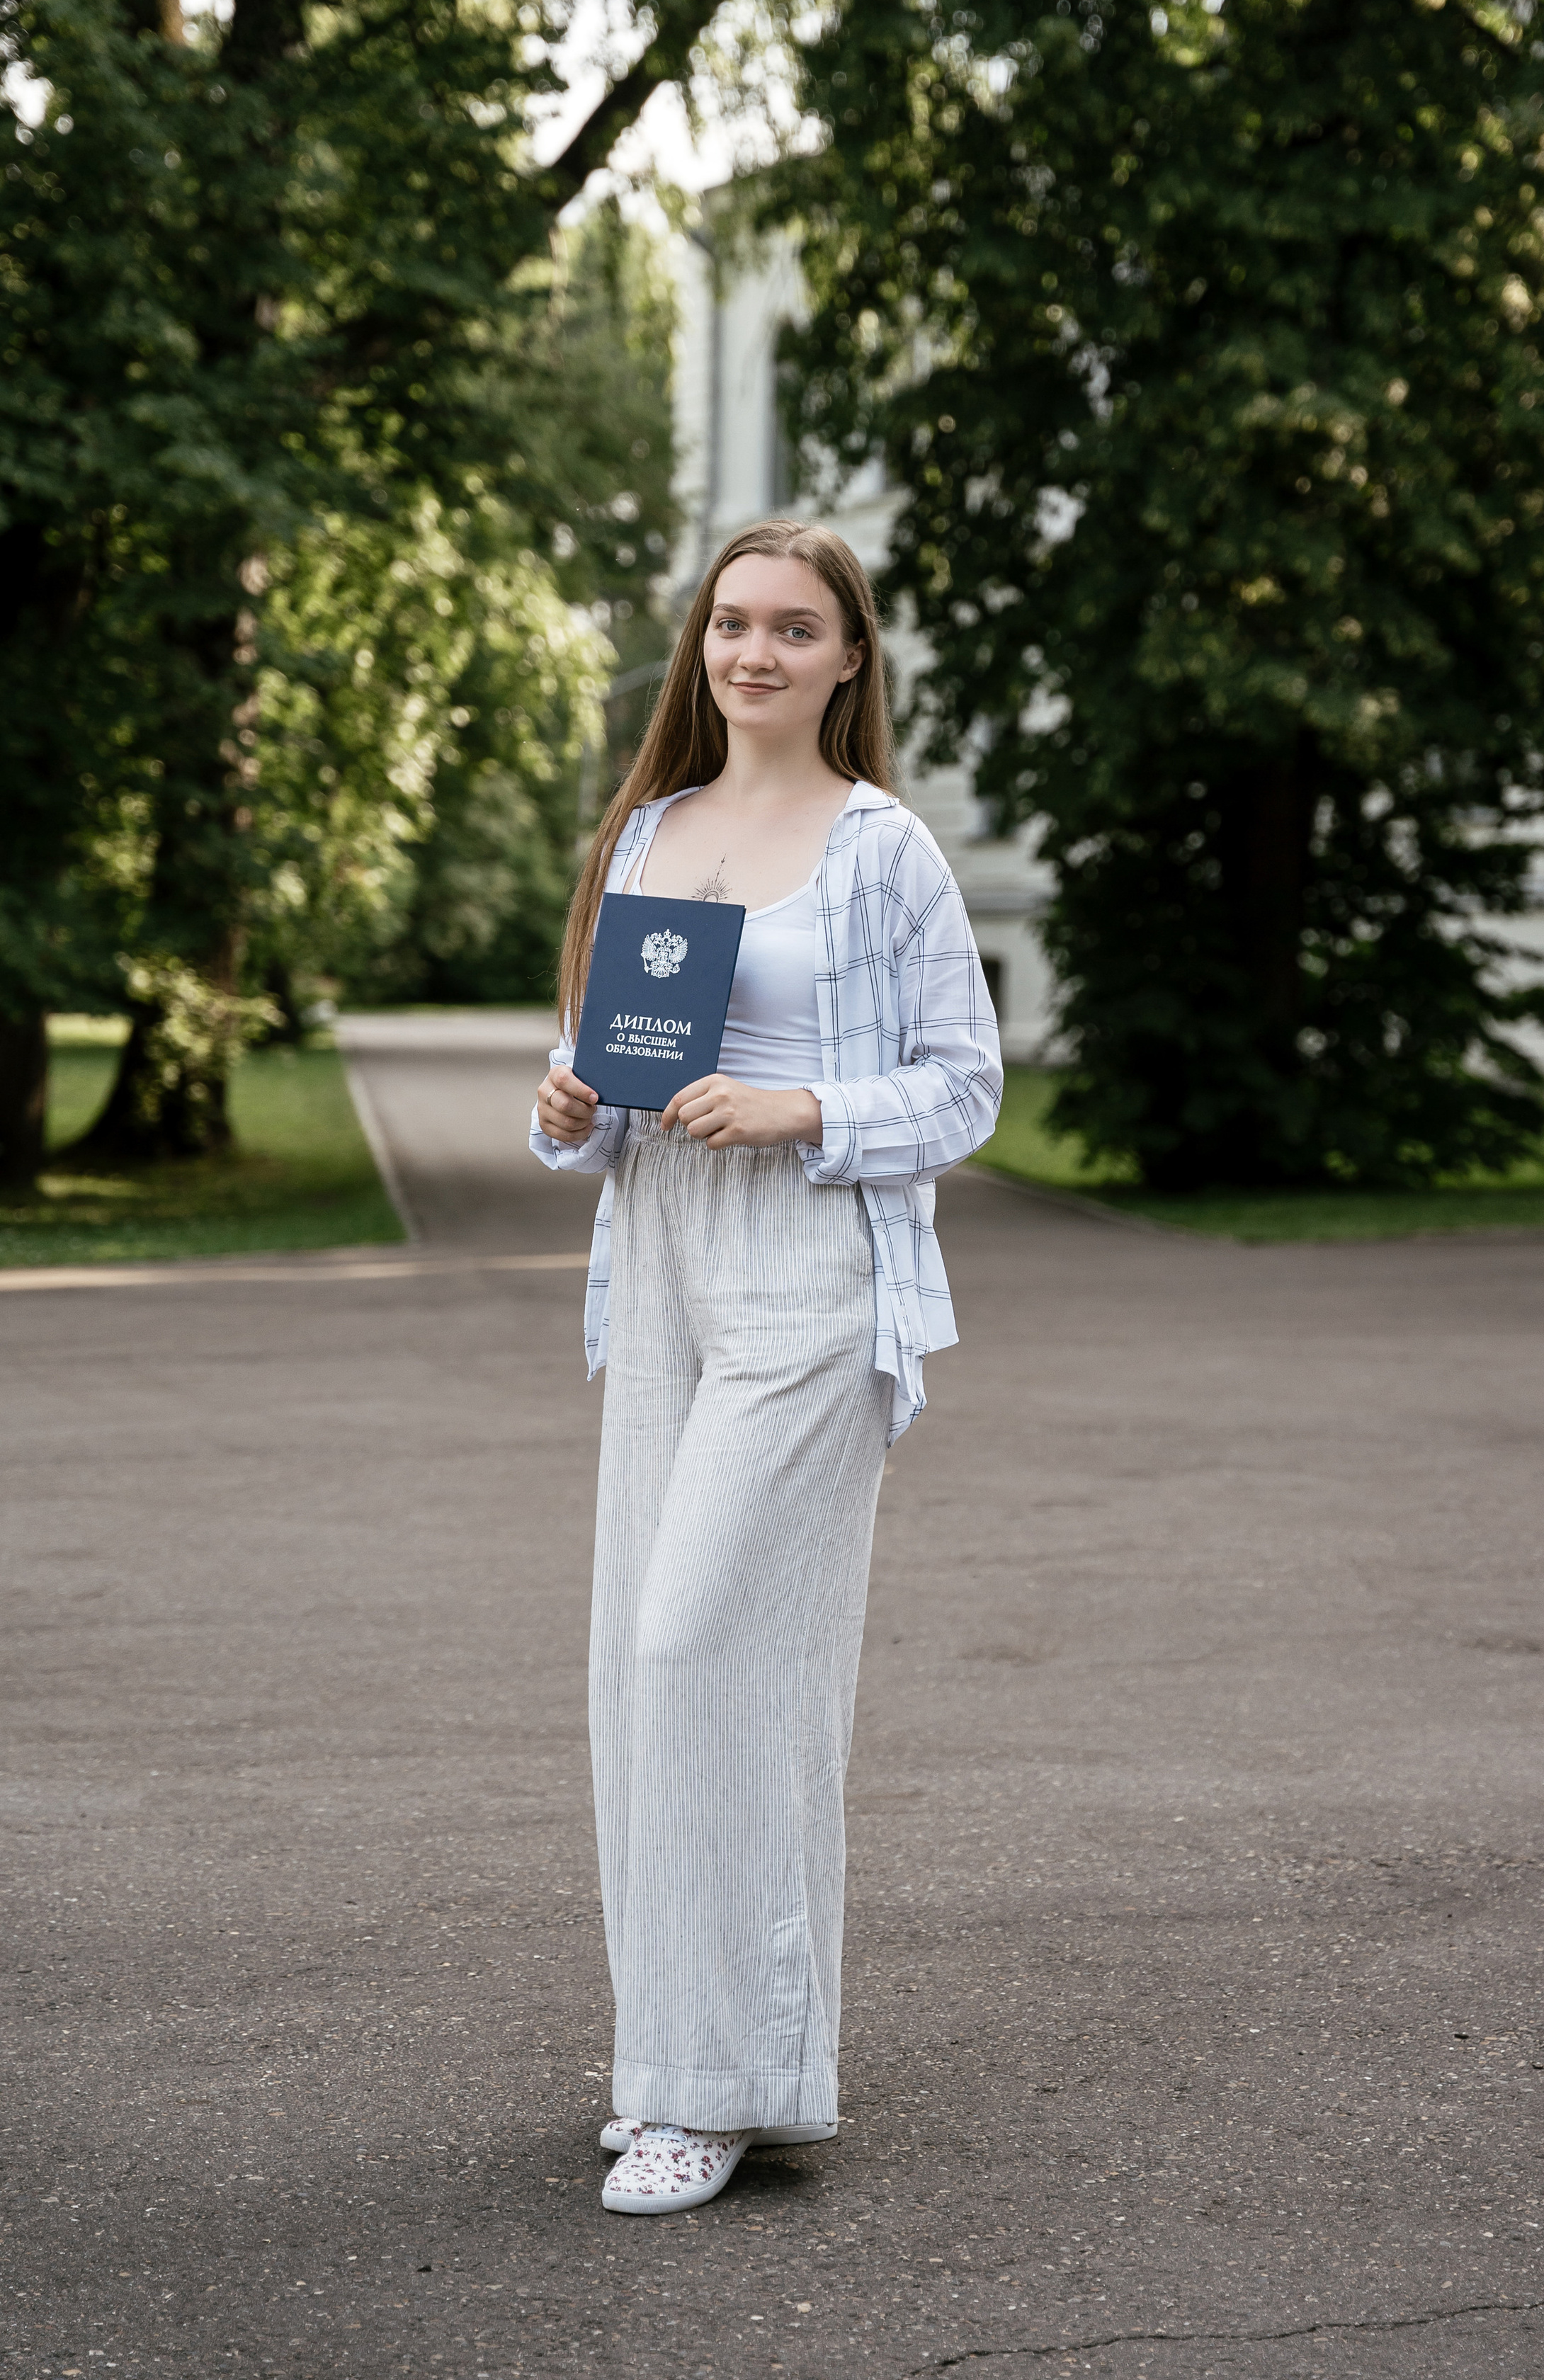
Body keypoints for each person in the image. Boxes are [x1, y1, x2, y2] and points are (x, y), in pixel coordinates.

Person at [530, 518, 1002, 2217]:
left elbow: (965, 1089)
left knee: (701, 1644)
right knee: (630, 1671)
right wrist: (568, 1106)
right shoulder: (652, 829)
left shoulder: (885, 855)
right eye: (730, 624)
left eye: (792, 628)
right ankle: (682, 2063)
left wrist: (807, 1108)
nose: (753, 652)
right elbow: (602, 1067)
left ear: (848, 658)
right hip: (657, 1250)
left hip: (808, 1266)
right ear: (700, 647)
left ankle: (721, 2089)